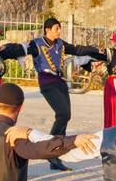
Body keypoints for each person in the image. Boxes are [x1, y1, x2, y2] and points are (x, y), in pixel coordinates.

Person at [24, 18, 101, 171]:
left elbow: (77, 50)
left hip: (59, 81)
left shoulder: (60, 44)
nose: (59, 31)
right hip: (47, 82)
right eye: (56, 29)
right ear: (47, 29)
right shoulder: (36, 44)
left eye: (60, 29)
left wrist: (94, 50)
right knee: (62, 113)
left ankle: (56, 152)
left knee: (66, 115)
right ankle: (51, 151)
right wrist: (4, 50)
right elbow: (20, 50)